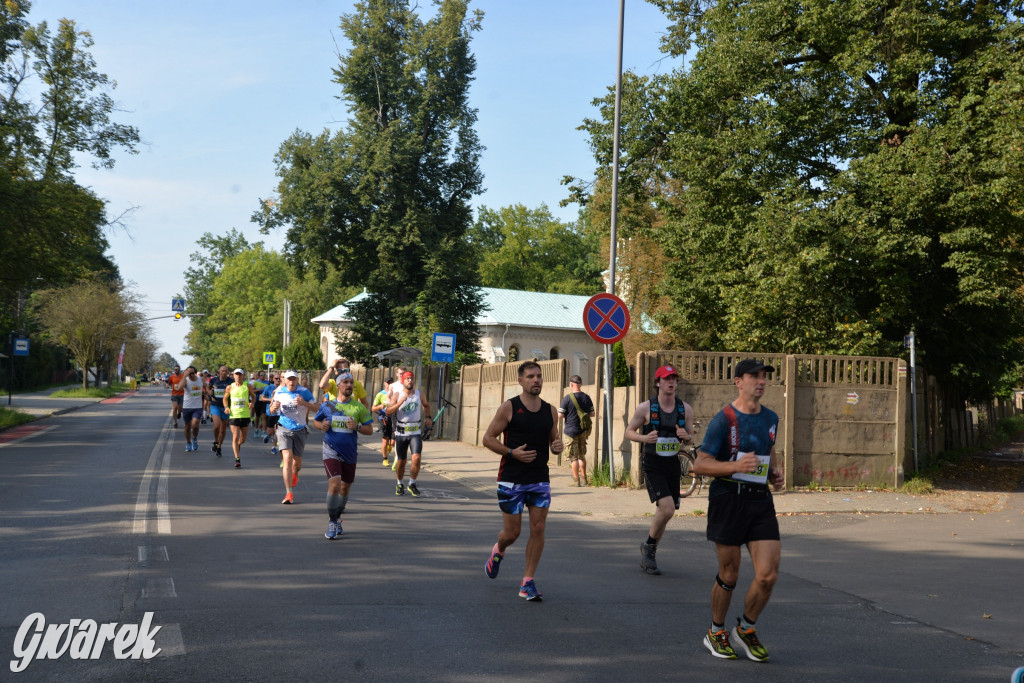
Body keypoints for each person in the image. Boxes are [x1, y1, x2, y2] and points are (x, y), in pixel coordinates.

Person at [692, 358, 784, 662]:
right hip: (728, 499)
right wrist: (735, 466)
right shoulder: (724, 420)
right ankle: (715, 631)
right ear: (738, 381)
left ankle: (745, 628)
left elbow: (768, 449)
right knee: (729, 574)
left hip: (759, 500)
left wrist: (776, 471)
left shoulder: (771, 417)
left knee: (767, 575)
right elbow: (700, 464)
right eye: (753, 376)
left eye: (763, 376)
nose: (760, 381)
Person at [481, 361, 564, 602]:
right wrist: (511, 453)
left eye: (539, 376)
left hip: (539, 478)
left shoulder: (550, 410)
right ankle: (499, 551)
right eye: (530, 376)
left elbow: (554, 442)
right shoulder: (509, 407)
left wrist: (557, 447)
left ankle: (527, 581)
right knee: (512, 532)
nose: (536, 380)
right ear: (521, 380)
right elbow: (488, 438)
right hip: (512, 480)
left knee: (538, 527)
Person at [625, 365, 694, 575]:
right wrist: (645, 438)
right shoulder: (645, 408)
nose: (671, 382)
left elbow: (691, 438)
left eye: (674, 379)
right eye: (666, 379)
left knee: (664, 512)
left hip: (672, 464)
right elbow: (629, 432)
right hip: (653, 463)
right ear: (658, 383)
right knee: (668, 509)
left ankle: (649, 553)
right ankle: (649, 547)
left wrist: (686, 435)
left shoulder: (686, 409)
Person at [313, 372, 373, 539]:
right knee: (334, 484)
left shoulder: (359, 408)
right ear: (337, 385)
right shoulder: (328, 405)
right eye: (345, 382)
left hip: (350, 452)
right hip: (331, 449)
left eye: (351, 382)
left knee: (345, 488)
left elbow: (370, 430)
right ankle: (332, 521)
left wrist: (357, 426)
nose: (349, 385)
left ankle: (337, 517)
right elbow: (316, 421)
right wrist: (321, 426)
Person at [270, 369, 318, 504]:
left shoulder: (304, 392)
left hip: (300, 429)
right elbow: (271, 410)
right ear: (285, 380)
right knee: (287, 459)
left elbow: (317, 408)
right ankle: (288, 493)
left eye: (293, 379)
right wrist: (274, 407)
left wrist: (304, 403)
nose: (291, 382)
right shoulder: (279, 392)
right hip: (283, 428)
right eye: (289, 379)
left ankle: (295, 474)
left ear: (297, 380)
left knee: (297, 464)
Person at [385, 370, 432, 496]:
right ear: (403, 381)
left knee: (416, 458)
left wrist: (428, 417)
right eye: (407, 379)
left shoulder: (419, 394)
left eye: (411, 378)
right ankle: (399, 483)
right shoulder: (397, 394)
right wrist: (400, 402)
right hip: (401, 433)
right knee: (401, 462)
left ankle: (412, 483)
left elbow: (426, 405)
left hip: (415, 432)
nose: (410, 380)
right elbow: (388, 411)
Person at [558, 374, 595, 486]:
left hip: (570, 432)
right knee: (581, 456)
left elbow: (560, 415)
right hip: (582, 431)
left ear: (571, 385)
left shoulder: (567, 398)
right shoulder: (586, 397)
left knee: (573, 457)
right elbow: (592, 414)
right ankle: (584, 478)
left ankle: (576, 480)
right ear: (581, 384)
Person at [223, 368, 257, 468]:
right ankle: (237, 459)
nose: (238, 376)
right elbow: (225, 399)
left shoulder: (248, 386)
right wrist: (226, 407)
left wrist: (252, 403)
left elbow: (254, 397)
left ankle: (237, 446)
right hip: (234, 415)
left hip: (245, 415)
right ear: (233, 376)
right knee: (235, 436)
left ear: (243, 376)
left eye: (240, 375)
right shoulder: (230, 387)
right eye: (236, 375)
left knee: (242, 439)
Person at [175, 366, 205, 452]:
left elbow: (206, 387)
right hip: (187, 407)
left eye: (192, 373)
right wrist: (185, 376)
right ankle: (188, 442)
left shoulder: (200, 379)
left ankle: (194, 438)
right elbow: (179, 387)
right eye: (189, 373)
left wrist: (208, 393)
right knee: (187, 426)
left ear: (195, 373)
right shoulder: (186, 380)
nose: (190, 375)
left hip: (197, 406)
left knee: (195, 425)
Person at [208, 366, 233, 457]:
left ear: (228, 372)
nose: (224, 372)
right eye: (222, 371)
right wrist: (209, 392)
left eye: (226, 371)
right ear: (219, 372)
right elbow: (208, 388)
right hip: (215, 405)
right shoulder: (213, 380)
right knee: (217, 425)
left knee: (223, 429)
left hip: (226, 406)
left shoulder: (231, 382)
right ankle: (215, 440)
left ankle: (219, 447)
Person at [372, 377, 395, 467]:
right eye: (388, 383)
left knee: (393, 442)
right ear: (385, 383)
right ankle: (385, 459)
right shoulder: (380, 394)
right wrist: (380, 407)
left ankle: (389, 445)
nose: (389, 385)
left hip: (393, 418)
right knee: (385, 441)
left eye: (391, 383)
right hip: (383, 418)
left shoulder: (396, 393)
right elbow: (373, 408)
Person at [260, 374, 282, 455]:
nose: (278, 380)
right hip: (270, 412)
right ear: (273, 379)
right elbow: (262, 398)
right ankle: (268, 435)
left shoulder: (283, 388)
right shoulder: (268, 388)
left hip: (280, 413)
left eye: (279, 378)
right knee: (270, 431)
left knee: (277, 431)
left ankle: (273, 447)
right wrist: (271, 399)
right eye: (276, 378)